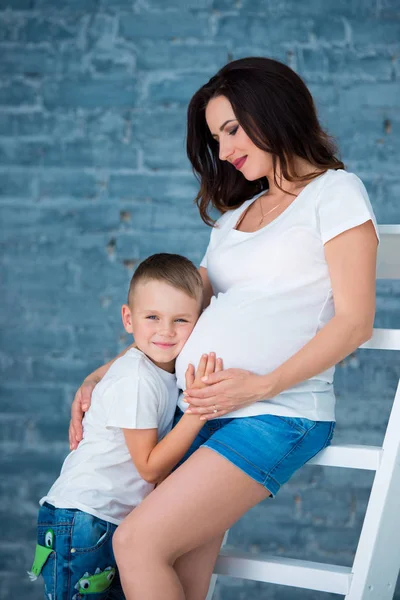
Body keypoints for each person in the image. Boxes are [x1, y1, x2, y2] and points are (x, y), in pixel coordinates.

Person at [69, 57, 379, 600]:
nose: (226, 148)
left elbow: (355, 322)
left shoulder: (336, 192)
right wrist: (102, 374)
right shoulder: (236, 218)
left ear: (273, 110)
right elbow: (182, 317)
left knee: (138, 543)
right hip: (202, 415)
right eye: (217, 137)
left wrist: (260, 385)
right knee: (182, 579)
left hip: (278, 413)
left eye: (232, 128)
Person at [29, 253, 221, 600]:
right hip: (86, 520)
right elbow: (148, 467)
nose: (165, 331)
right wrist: (197, 412)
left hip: (107, 520)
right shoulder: (136, 378)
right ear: (128, 319)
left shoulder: (162, 371)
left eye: (180, 319)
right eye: (153, 317)